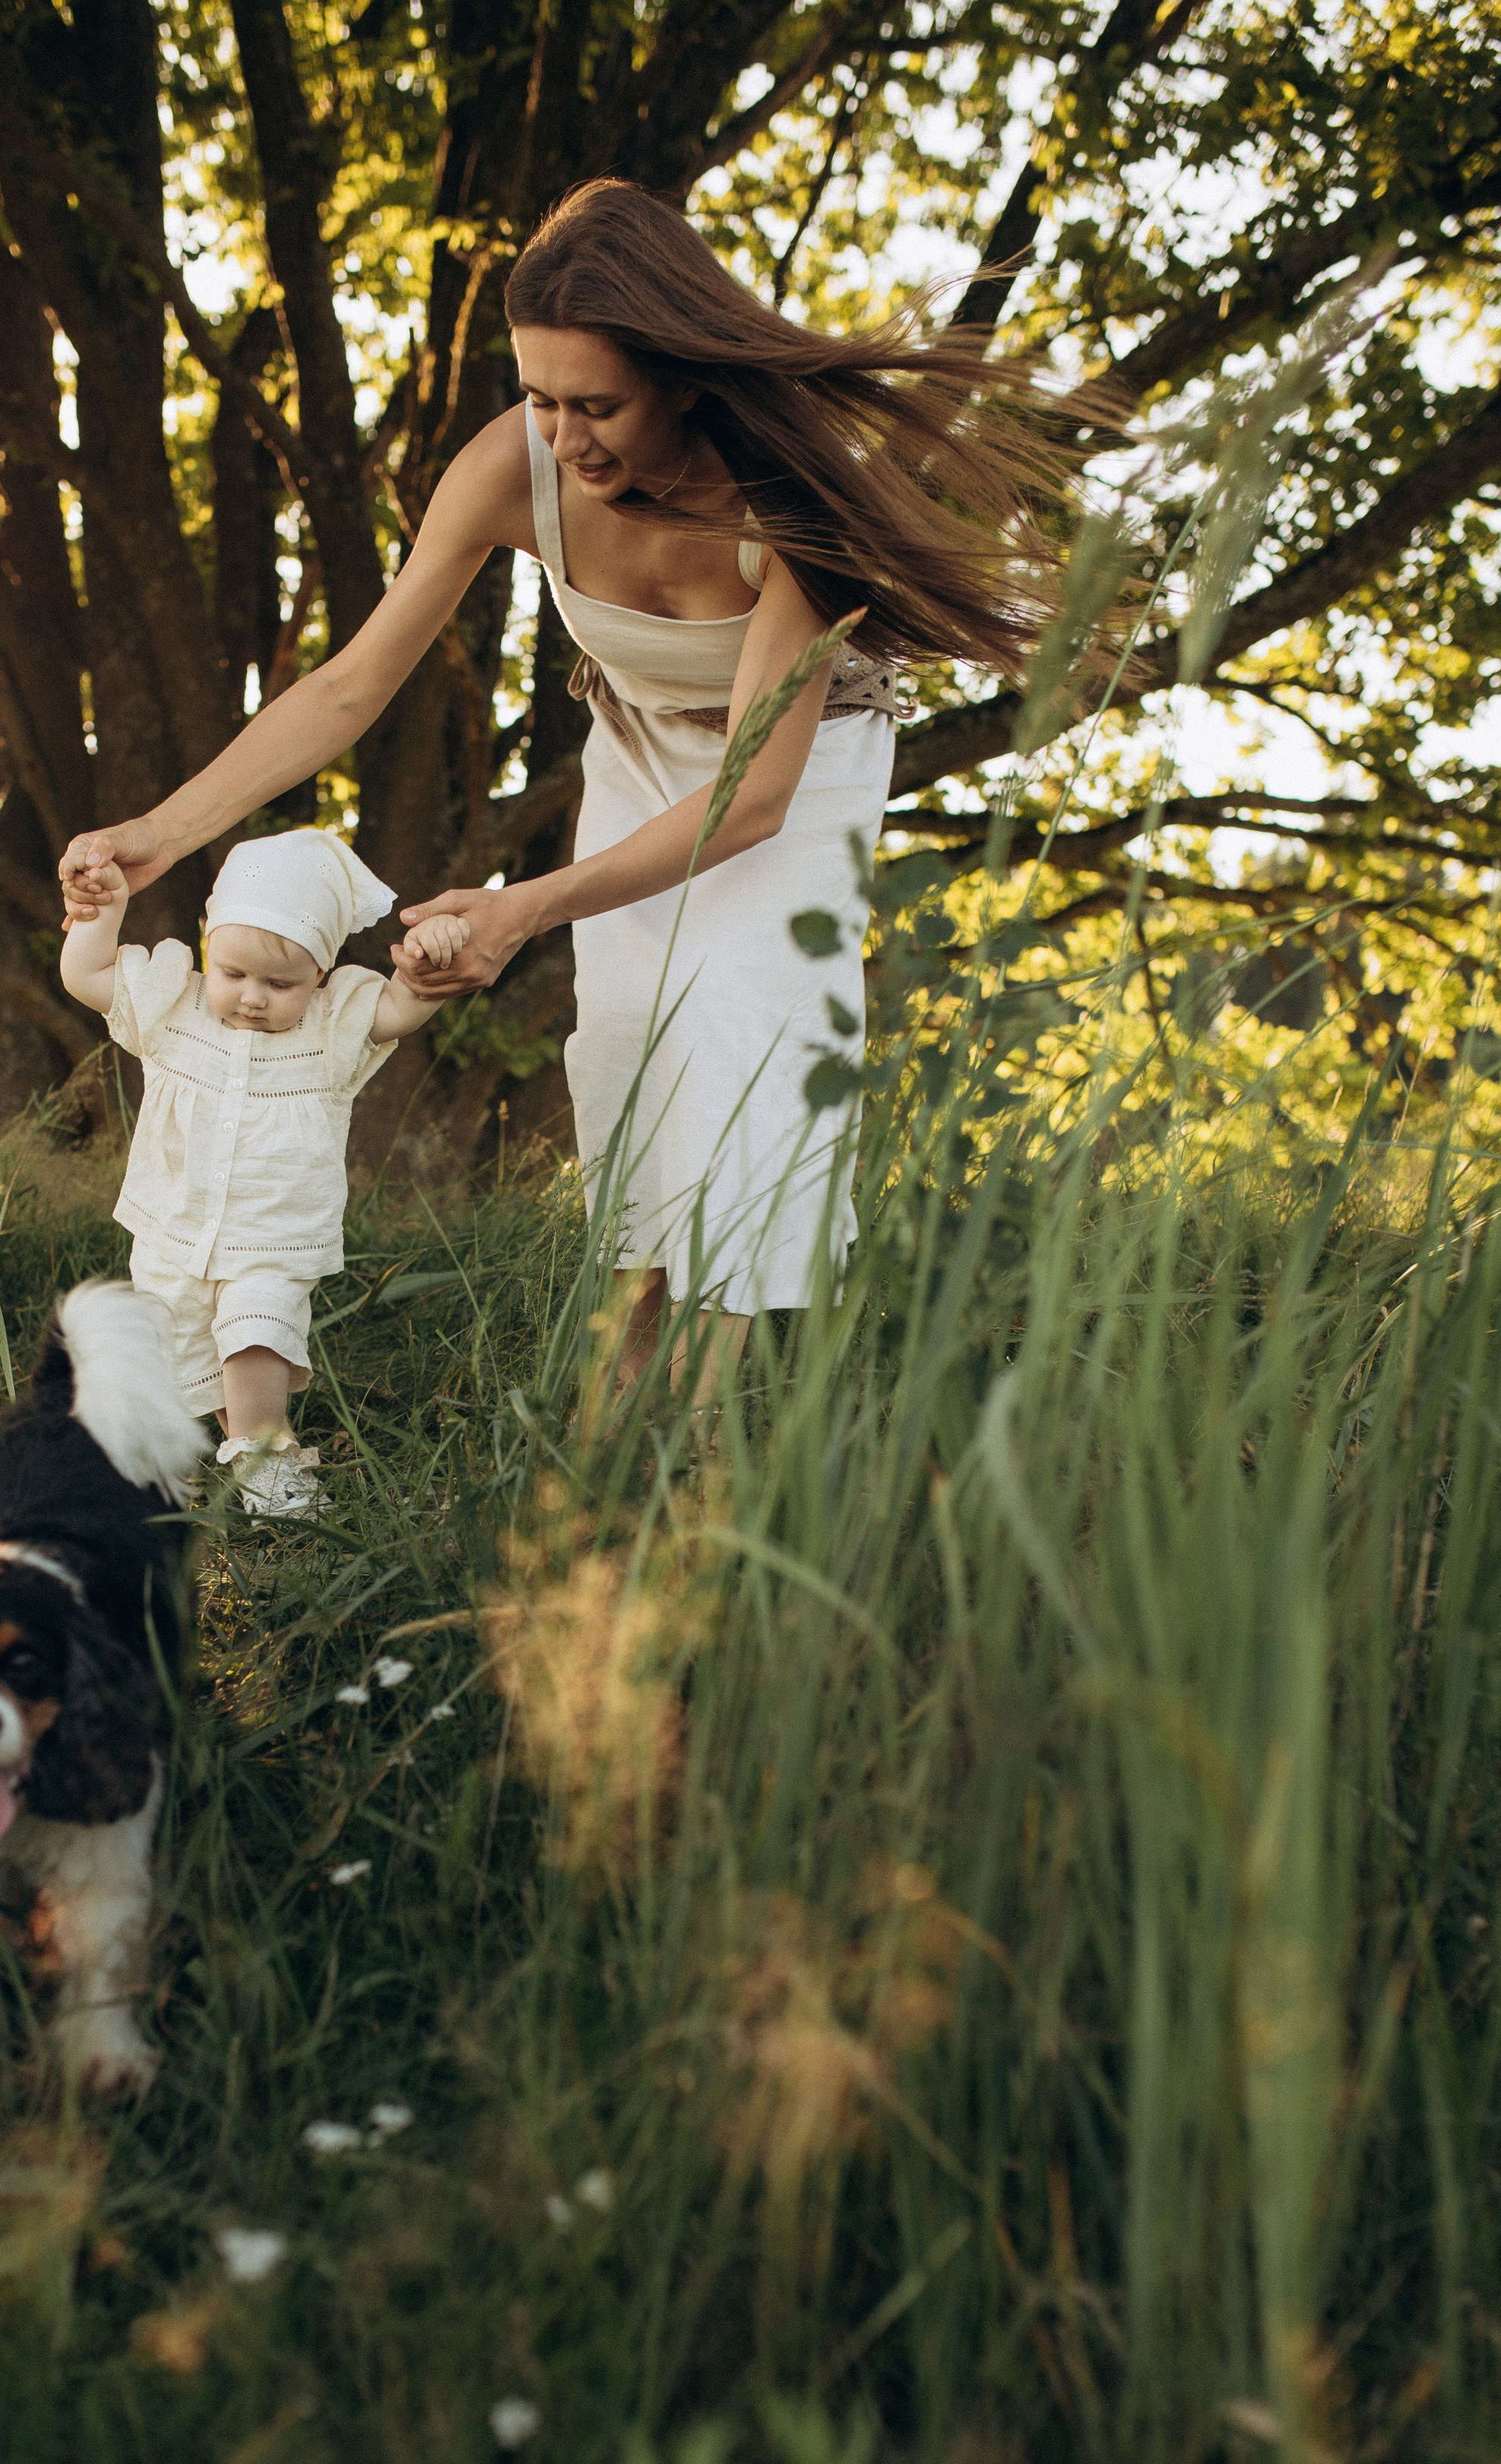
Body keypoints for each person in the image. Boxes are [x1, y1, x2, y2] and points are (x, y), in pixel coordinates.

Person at [61, 179, 1083, 1394]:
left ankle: (698, 1466)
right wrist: (161, 835)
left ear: (685, 380)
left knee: (736, 1053)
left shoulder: (788, 502)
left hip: (789, 783)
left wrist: (523, 905)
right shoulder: (511, 467)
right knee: (633, 1059)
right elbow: (351, 686)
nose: (563, 435)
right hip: (638, 749)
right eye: (541, 396)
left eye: (596, 403)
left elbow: (749, 801)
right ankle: (613, 1437)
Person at [60, 826, 467, 1519]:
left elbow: (400, 1008)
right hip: (172, 1233)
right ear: (208, 948)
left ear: (320, 977)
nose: (252, 996)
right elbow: (87, 976)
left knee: (257, 1333)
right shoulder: (172, 1008)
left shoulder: (330, 1033)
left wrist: (427, 964)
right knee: (175, 1360)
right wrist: (103, 913)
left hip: (273, 1238)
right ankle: (159, 1475)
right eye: (233, 972)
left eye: (281, 984)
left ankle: (268, 1465)